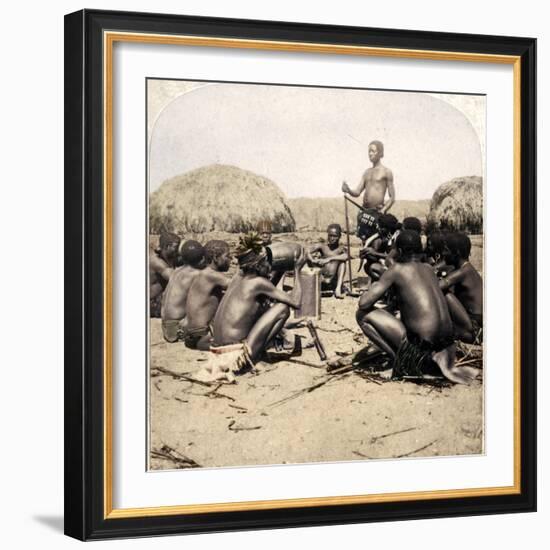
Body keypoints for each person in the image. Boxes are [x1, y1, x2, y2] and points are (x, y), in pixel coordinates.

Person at [355, 230, 476, 384]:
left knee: (362, 315)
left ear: (398, 250)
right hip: (447, 349)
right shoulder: (429, 269)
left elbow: (364, 303)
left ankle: (402, 363)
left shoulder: (397, 270)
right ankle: (417, 360)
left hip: (423, 351)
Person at [211, 232, 305, 369]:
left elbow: (270, 291)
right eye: (266, 261)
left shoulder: (238, 280)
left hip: (217, 353)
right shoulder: (257, 283)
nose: (269, 265)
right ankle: (257, 358)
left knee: (263, 308)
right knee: (282, 309)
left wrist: (280, 270)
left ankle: (257, 354)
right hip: (236, 357)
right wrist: (297, 270)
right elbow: (296, 302)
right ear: (258, 265)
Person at [341, 140, 396, 244]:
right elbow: (357, 192)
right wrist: (348, 189)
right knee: (364, 242)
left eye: (373, 151)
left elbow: (392, 197)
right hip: (364, 212)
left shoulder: (386, 172)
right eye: (369, 151)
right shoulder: (366, 172)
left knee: (376, 243)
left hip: (377, 214)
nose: (370, 154)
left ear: (380, 153)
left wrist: (383, 210)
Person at [184, 240, 232, 350]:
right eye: (227, 256)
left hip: (192, 335)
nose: (230, 259)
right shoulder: (211, 275)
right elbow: (240, 287)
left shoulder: (204, 274)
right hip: (202, 336)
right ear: (215, 258)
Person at [440, 233, 483, 343]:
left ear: (456, 253)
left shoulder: (463, 272)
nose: (443, 253)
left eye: (446, 250)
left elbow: (437, 287)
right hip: (475, 322)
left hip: (475, 327)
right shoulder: (466, 269)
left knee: (445, 294)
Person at [160, 240, 205, 343]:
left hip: (166, 325)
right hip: (177, 328)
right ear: (202, 258)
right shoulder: (195, 274)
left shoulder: (176, 271)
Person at [307, 224, 348, 298]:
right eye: (330, 235)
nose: (332, 238)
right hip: (321, 278)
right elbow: (306, 251)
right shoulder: (322, 246)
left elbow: (346, 256)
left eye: (334, 236)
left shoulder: (341, 249)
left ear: (339, 236)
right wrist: (312, 260)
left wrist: (328, 259)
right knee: (307, 260)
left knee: (342, 263)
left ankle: (338, 289)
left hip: (333, 282)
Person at [359, 213, 400, 281]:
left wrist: (375, 253)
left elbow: (395, 257)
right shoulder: (384, 238)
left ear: (388, 228)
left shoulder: (398, 237)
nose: (378, 228)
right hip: (390, 266)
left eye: (381, 227)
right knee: (368, 265)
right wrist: (367, 255)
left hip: (398, 268)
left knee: (374, 267)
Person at [149, 232, 181, 318]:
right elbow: (176, 280)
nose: (177, 250)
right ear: (167, 246)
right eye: (176, 247)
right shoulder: (157, 262)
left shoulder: (168, 255)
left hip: (158, 300)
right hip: (152, 304)